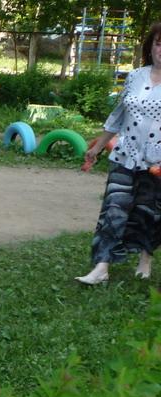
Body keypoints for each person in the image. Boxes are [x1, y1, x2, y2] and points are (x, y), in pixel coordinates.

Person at [75, 23, 161, 285]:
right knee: (114, 208)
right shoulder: (135, 76)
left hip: (157, 162)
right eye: (158, 42)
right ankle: (101, 267)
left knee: (149, 211)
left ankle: (145, 259)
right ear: (151, 46)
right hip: (125, 155)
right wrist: (98, 146)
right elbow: (118, 116)